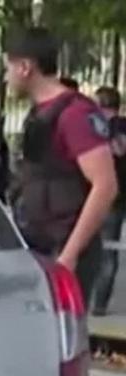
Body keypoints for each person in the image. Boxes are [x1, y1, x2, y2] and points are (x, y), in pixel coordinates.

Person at [6, 27, 118, 300]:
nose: (5, 76)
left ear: (24, 67)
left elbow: (105, 186)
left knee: (66, 338)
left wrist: (69, 254)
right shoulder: (39, 113)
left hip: (65, 250)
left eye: (7, 67)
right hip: (40, 242)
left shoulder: (75, 114)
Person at [92, 86, 126, 315]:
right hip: (120, 194)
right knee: (109, 247)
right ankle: (100, 303)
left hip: (109, 193)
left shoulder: (108, 127)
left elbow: (119, 150)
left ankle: (98, 302)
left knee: (104, 248)